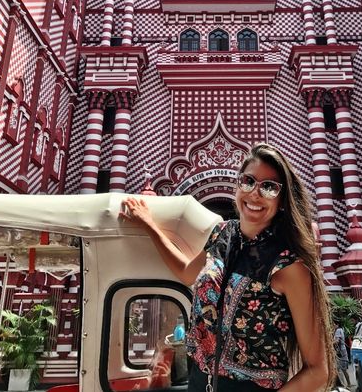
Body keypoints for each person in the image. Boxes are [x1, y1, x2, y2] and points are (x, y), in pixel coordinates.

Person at [120, 143, 335, 391]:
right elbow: (186, 272)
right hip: (200, 381)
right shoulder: (221, 234)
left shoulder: (288, 265)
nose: (255, 194)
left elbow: (318, 370)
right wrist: (149, 225)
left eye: (269, 187)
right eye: (248, 181)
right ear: (238, 185)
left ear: (282, 200)